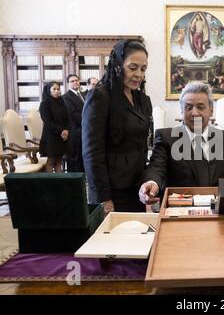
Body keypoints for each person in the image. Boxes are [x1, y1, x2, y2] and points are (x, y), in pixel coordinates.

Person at [139, 82, 224, 205]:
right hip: (179, 212)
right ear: (181, 111)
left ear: (211, 110)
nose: (194, 113)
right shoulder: (166, 138)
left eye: (200, 107)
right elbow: (156, 168)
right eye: (188, 107)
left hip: (219, 213)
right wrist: (152, 183)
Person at [82, 40, 153, 214]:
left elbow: (143, 145)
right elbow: (92, 152)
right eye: (133, 67)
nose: (138, 74)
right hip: (110, 190)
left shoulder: (142, 99)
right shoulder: (100, 96)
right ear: (118, 66)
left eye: (143, 69)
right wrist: (104, 198)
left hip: (136, 187)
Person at [39, 81, 69, 173]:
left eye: (58, 89)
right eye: (54, 89)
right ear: (49, 91)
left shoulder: (62, 102)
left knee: (59, 161)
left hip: (62, 136)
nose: (57, 91)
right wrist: (62, 131)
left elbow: (67, 118)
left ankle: (59, 184)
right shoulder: (44, 104)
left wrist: (67, 130)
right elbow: (48, 122)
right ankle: (50, 185)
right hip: (51, 136)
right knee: (51, 161)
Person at [62, 74, 85, 172]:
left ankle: (83, 182)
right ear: (68, 84)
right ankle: (74, 184)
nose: (75, 82)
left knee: (83, 159)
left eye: (76, 80)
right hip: (74, 133)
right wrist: (89, 123)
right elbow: (74, 115)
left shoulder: (82, 95)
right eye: (72, 81)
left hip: (83, 132)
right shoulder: (66, 97)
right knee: (75, 161)